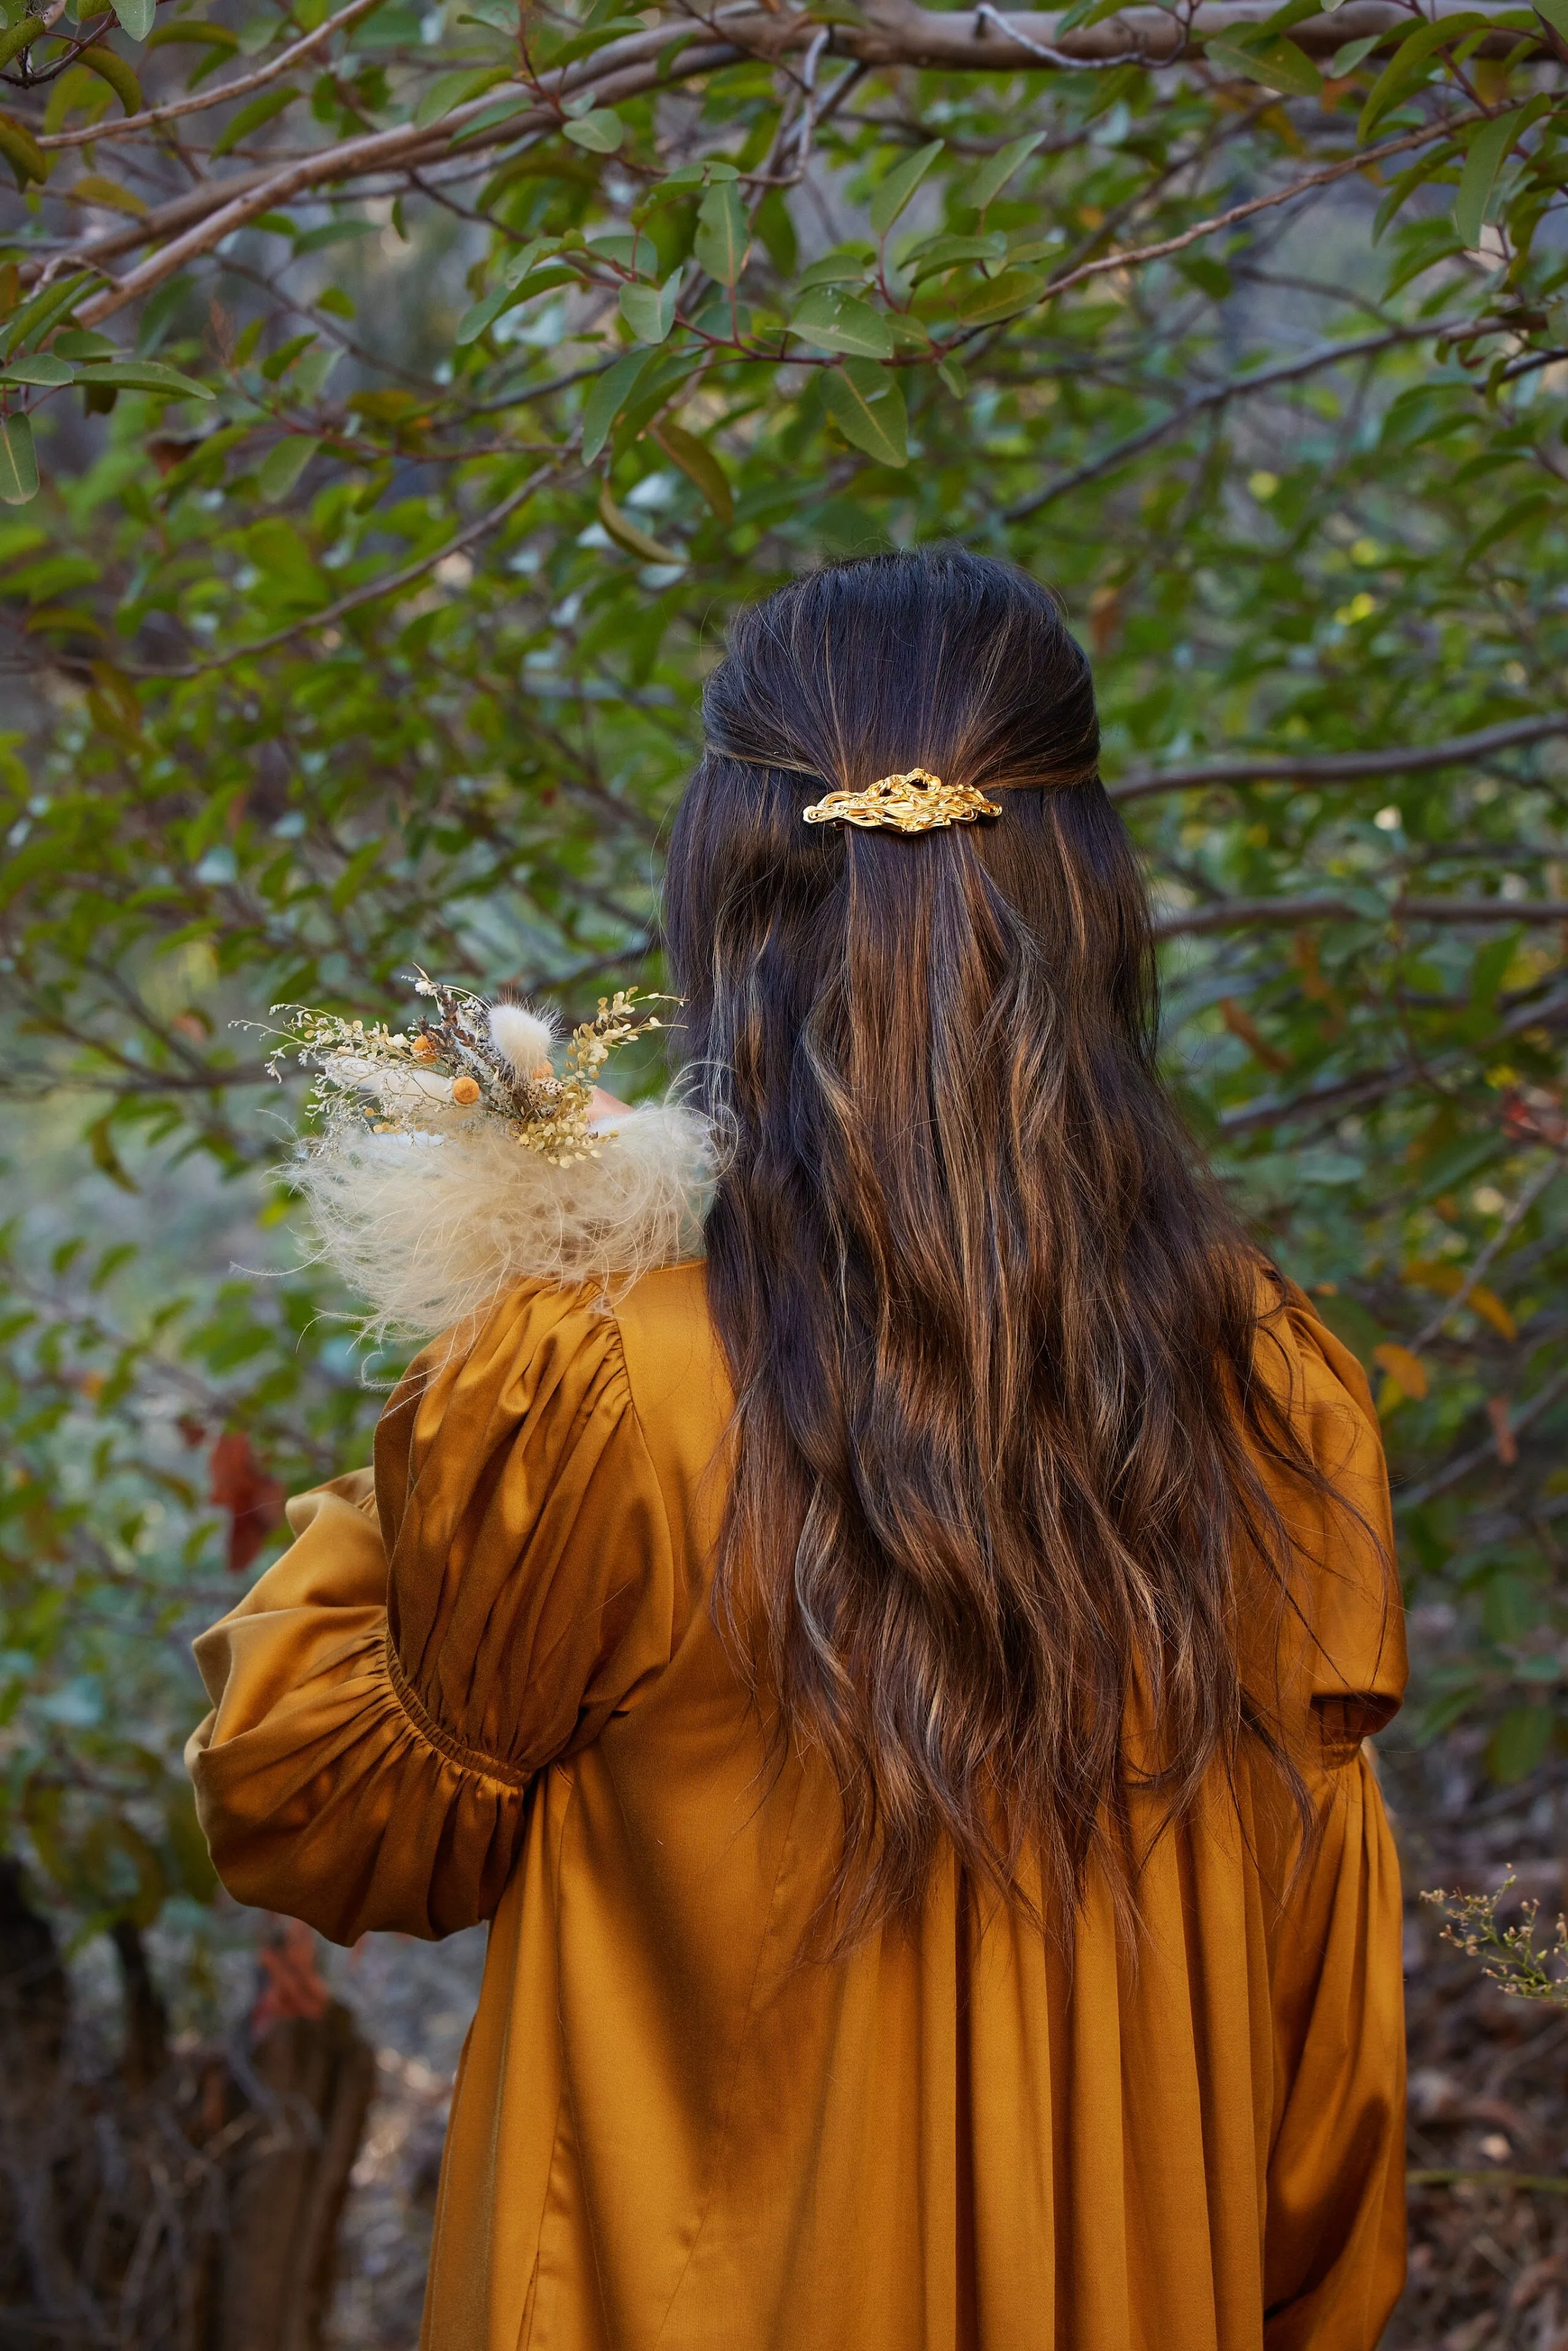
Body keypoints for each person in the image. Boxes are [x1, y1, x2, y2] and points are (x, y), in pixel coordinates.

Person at [187, 547, 1406, 2351]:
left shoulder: (594, 1390)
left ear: (723, 889)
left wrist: (478, 1380)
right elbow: (1322, 2130)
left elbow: (318, 1808)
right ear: (1091, 901)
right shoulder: (1278, 1395)